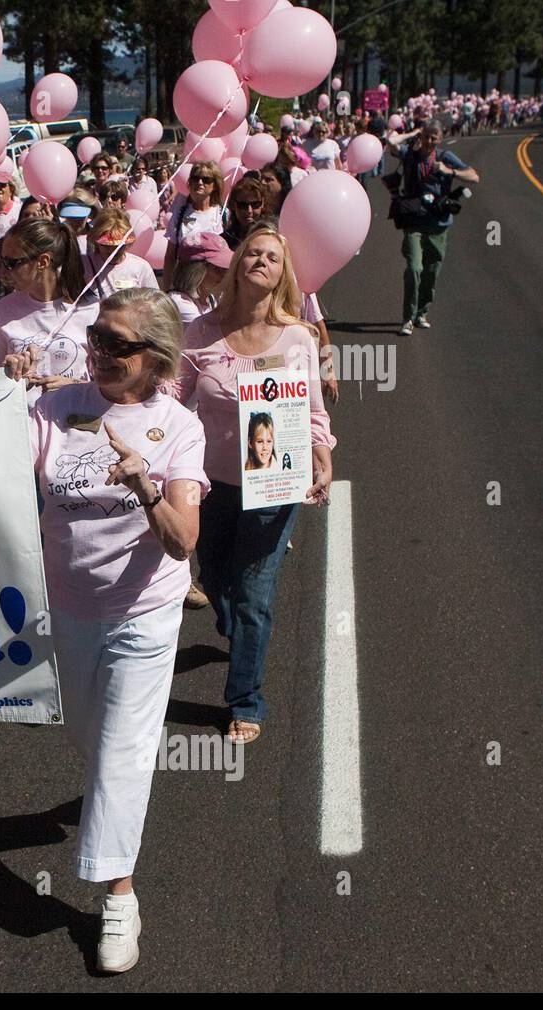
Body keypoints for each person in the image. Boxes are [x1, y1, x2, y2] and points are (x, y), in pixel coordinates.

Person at [29, 288, 207, 973]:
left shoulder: (180, 427)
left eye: (119, 345)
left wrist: (145, 486)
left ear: (156, 359)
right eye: (97, 337)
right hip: (68, 606)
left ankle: (118, 899)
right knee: (86, 733)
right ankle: (109, 806)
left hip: (144, 614)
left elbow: (182, 540)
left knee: (122, 753)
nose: (99, 352)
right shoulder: (57, 403)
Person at [169, 225, 335, 745]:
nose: (261, 261)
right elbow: (173, 396)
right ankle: (237, 630)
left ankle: (245, 699)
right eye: (253, 253)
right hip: (210, 481)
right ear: (238, 265)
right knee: (215, 580)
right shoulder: (200, 332)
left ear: (283, 275)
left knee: (254, 595)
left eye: (272, 257)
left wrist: (322, 455)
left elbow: (312, 411)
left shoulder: (298, 338)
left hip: (273, 483)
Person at [0, 218, 100, 397]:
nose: (4, 271)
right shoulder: (2, 310)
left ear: (43, 262)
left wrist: (74, 385)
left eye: (12, 263)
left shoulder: (91, 310)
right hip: (20, 421)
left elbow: (111, 382)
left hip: (74, 420)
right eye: (2, 261)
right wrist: (8, 376)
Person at [386, 120, 479, 335]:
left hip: (438, 223)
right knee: (414, 268)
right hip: (414, 222)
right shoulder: (411, 156)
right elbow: (390, 142)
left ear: (440, 138)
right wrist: (413, 133)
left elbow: (474, 176)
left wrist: (450, 172)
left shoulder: (445, 157)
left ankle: (421, 313)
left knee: (431, 272)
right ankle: (408, 318)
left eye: (433, 137)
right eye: (426, 136)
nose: (429, 141)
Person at [162, 160, 224, 283]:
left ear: (215, 185)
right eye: (196, 178)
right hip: (185, 283)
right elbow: (170, 256)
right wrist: (167, 287)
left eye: (206, 179)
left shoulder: (223, 214)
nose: (200, 182)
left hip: (215, 283)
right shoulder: (179, 215)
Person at [83, 207, 157, 299]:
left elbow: (154, 304)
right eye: (106, 245)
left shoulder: (141, 267)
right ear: (96, 241)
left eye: (118, 246)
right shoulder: (83, 265)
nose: (113, 251)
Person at [167, 232, 229, 326]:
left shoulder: (210, 299)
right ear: (196, 271)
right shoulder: (179, 302)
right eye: (217, 269)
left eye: (225, 269)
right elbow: (210, 335)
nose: (224, 275)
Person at [221, 177, 269, 249]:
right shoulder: (223, 241)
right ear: (233, 205)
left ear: (263, 204)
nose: (249, 211)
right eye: (242, 205)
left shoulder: (271, 237)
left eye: (255, 204)